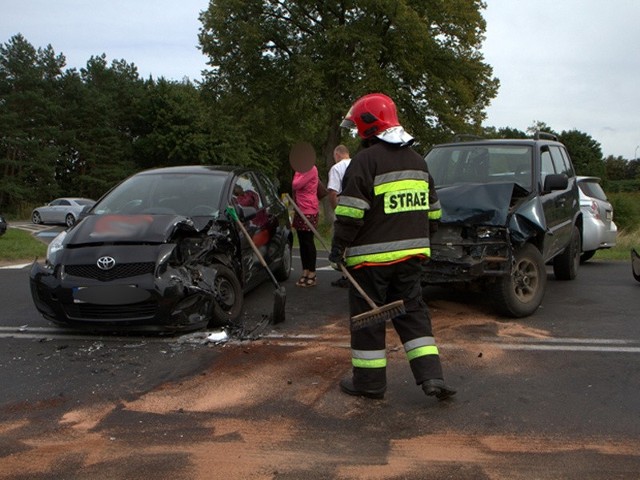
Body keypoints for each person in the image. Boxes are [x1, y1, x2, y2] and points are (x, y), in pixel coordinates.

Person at [329, 93, 456, 401]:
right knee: (413, 313)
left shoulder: (364, 162)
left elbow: (350, 214)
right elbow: (435, 215)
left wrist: (338, 250)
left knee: (369, 320)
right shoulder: (418, 161)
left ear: (367, 126)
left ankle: (369, 385)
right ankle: (432, 378)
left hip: (370, 263)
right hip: (411, 259)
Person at [291, 154, 320, 287]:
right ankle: (305, 271)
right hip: (299, 208)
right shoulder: (299, 170)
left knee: (308, 241)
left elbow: (296, 184)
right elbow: (294, 183)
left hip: (309, 209)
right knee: (302, 241)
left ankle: (312, 273)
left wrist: (297, 177)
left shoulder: (311, 169)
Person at [327, 144, 352, 288]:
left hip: (343, 206)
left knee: (342, 242)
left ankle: (345, 276)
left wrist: (335, 208)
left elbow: (333, 192)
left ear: (337, 154)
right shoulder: (358, 164)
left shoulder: (337, 168)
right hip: (360, 207)